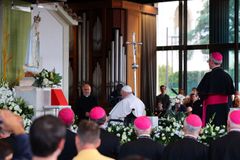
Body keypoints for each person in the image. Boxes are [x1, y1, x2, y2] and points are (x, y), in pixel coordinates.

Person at [197, 52, 235, 126]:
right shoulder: (227, 76)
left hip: (211, 109)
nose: (208, 63)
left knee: (211, 128)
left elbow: (201, 93)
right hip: (224, 108)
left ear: (211, 61)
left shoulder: (208, 76)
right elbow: (230, 95)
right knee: (222, 128)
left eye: (209, 61)